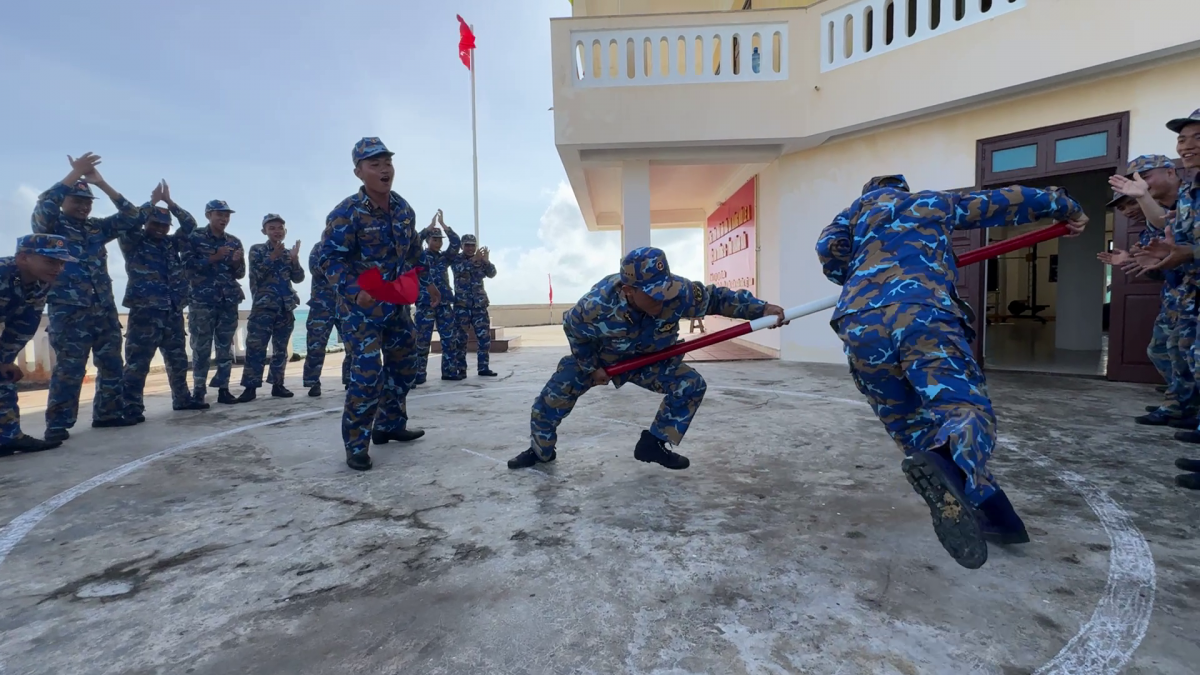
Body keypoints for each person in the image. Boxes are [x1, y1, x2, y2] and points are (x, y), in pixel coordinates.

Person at [816, 174, 1087, 570]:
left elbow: (829, 249)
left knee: (909, 425)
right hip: (922, 312)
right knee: (961, 409)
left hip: (859, 323)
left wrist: (854, 273)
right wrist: (1066, 207)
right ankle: (951, 466)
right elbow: (1001, 202)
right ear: (902, 191)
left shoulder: (850, 217)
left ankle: (1000, 517)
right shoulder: (929, 202)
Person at [507, 246, 787, 472]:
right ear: (629, 291)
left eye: (665, 291)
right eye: (653, 296)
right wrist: (593, 368)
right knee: (548, 402)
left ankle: (653, 444)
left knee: (690, 384)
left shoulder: (678, 292)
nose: (663, 301)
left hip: (652, 359)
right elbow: (573, 330)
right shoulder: (596, 306)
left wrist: (762, 310)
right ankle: (540, 452)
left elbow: (717, 299)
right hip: (603, 358)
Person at [320, 137, 430, 471]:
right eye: (374, 164)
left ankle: (389, 426)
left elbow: (413, 255)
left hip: (395, 305)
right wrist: (354, 291)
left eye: (387, 163)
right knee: (367, 376)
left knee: (406, 366)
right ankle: (356, 444)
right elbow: (328, 260)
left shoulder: (403, 209)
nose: (384, 170)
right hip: (360, 311)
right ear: (359, 172)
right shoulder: (346, 213)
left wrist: (427, 284)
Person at [31, 152, 141, 443]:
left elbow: (133, 216)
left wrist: (101, 183)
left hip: (104, 309)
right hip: (70, 311)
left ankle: (108, 414)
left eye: (87, 202)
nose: (82, 206)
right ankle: (58, 424)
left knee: (111, 364)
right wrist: (73, 176)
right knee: (70, 368)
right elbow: (44, 204)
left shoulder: (96, 228)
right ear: (65, 201)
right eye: (77, 200)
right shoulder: (52, 227)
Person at [1122, 109, 1200, 486]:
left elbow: (1186, 244)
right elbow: (1169, 228)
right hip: (1187, 293)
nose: (1188, 146)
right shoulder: (1191, 191)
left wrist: (1189, 254)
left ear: (1167, 171)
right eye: (1183, 139)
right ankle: (1186, 409)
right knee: (1179, 355)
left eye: (1196, 137)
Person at [1103, 156, 1188, 427]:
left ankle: (1181, 403)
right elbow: (1156, 267)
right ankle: (1182, 402)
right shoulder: (1154, 221)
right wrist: (1132, 260)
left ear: (1171, 172)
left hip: (1191, 298)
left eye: (1145, 177)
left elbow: (1173, 228)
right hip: (1178, 299)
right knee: (1164, 350)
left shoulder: (1188, 202)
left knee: (1184, 354)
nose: (1128, 209)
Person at [119, 181, 208, 422]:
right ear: (147, 223)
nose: (160, 228)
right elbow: (128, 220)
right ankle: (131, 407)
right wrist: (152, 203)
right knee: (138, 363)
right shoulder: (133, 242)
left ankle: (182, 399)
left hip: (172, 311)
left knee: (178, 360)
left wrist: (170, 203)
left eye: (164, 225)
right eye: (155, 223)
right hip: (145, 312)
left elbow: (190, 225)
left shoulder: (171, 244)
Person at [0, 234, 76, 455]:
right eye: (51, 262)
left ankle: (8, 437)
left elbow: (23, 325)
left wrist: (4, 360)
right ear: (23, 258)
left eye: (62, 263)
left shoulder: (39, 282)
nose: (58, 268)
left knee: (3, 378)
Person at [181, 199, 247, 406]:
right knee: (201, 347)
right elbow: (186, 267)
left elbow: (241, 273)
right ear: (208, 215)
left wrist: (236, 262)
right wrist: (213, 258)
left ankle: (224, 389)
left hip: (228, 300)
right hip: (202, 300)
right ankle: (198, 391)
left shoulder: (234, 241)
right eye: (219, 214)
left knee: (225, 347)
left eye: (226, 215)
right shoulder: (195, 237)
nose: (224, 218)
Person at [238, 214, 304, 402]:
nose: (277, 231)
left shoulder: (287, 253)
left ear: (285, 231)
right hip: (263, 308)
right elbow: (256, 275)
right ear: (264, 231)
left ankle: (278, 385)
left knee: (281, 350)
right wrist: (271, 257)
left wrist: (294, 260)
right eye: (272, 228)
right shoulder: (256, 250)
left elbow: (298, 278)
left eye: (280, 228)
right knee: (255, 348)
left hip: (285, 308)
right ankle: (250, 388)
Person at [414, 210, 465, 384]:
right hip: (425, 303)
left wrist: (444, 226)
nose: (437, 242)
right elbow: (413, 244)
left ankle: (449, 371)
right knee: (422, 341)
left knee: (449, 339)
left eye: (439, 239)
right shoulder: (420, 256)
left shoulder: (444, 258)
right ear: (428, 240)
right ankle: (419, 374)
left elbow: (456, 242)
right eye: (434, 239)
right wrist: (427, 228)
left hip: (443, 304)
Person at [302, 232, 350, 397]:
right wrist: (332, 263)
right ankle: (312, 382)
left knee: (352, 344)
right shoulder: (318, 249)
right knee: (316, 345)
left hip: (345, 305)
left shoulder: (348, 250)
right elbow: (315, 269)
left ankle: (350, 379)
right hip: (321, 305)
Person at [450, 233, 498, 377]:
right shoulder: (457, 259)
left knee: (484, 338)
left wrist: (486, 262)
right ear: (462, 246)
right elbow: (459, 271)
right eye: (467, 245)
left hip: (479, 306)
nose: (470, 248)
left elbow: (492, 273)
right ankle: (461, 369)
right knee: (460, 339)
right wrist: (474, 261)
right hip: (462, 306)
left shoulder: (480, 260)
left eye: (472, 245)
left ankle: (483, 367)